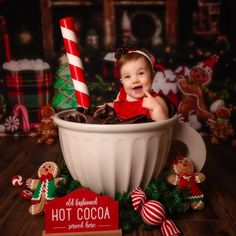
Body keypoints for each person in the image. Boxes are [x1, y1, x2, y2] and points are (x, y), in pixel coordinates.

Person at [107, 47, 169, 122]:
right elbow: (115, 108)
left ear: (152, 76)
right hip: (119, 132)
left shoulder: (156, 101)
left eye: (141, 73)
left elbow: (164, 126)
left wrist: (156, 109)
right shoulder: (122, 95)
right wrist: (109, 107)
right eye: (127, 76)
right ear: (122, 81)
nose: (134, 80)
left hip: (145, 133)